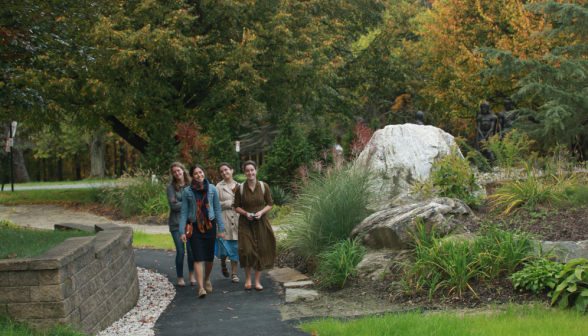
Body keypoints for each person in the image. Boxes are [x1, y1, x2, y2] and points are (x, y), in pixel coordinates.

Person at [179, 164, 226, 298]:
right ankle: (201, 288)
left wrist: (221, 229)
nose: (199, 175)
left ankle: (206, 278)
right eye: (196, 173)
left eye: (201, 172)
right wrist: (182, 231)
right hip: (195, 227)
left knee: (209, 257)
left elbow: (217, 209)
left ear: (203, 172)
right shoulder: (188, 191)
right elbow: (183, 212)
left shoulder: (211, 188)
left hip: (210, 226)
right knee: (198, 257)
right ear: (192, 176)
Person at [234, 160, 275, 291]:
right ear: (245, 172)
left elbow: (269, 204)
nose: (250, 172)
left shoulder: (264, 186)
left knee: (260, 251)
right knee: (246, 251)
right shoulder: (240, 188)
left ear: (256, 171)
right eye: (247, 170)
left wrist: (261, 212)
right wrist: (246, 213)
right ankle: (248, 279)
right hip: (245, 223)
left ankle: (257, 281)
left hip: (261, 222)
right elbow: (236, 206)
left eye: (252, 170)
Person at [166, 162, 196, 287]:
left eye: (179, 170)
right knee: (180, 251)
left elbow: (195, 202)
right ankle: (180, 277)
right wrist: (186, 203)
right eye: (174, 172)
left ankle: (191, 274)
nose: (177, 173)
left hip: (189, 223)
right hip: (176, 223)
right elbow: (173, 206)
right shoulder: (171, 187)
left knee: (191, 250)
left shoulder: (192, 184)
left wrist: (179, 201)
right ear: (173, 174)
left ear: (183, 170)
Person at [216, 163, 240, 283]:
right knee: (224, 247)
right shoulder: (218, 187)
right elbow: (215, 205)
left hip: (236, 220)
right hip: (224, 219)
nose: (224, 173)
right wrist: (229, 203)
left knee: (235, 247)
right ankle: (223, 263)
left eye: (226, 170)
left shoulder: (239, 186)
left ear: (231, 170)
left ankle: (234, 273)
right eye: (221, 171)